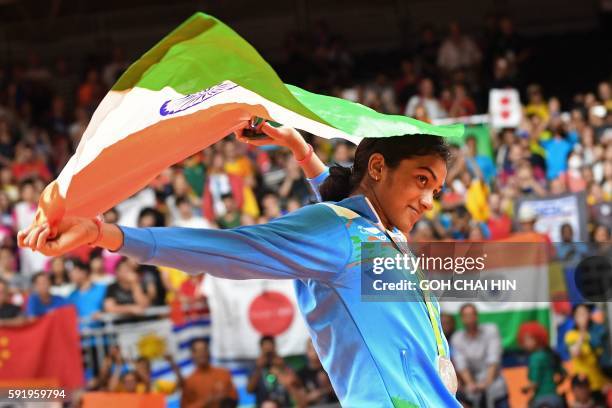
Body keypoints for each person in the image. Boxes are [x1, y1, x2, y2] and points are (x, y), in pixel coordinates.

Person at [19, 122, 460, 406]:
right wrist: (107, 235)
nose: (427, 202)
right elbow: (225, 249)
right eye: (422, 181)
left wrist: (299, 149)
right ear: (379, 167)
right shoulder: (339, 232)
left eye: (436, 191)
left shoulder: (382, 229)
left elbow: (346, 199)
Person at [452, 303, 508, 408]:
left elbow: (493, 359)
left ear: (476, 316)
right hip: (473, 391)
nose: (470, 318)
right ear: (462, 319)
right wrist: (471, 383)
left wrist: (487, 383)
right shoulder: (457, 338)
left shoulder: (491, 330)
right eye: (466, 316)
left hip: (495, 387)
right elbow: (461, 365)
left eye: (472, 315)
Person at [564, 304, 608, 405]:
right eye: (579, 314)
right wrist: (582, 334)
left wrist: (607, 381)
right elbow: (575, 352)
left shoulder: (596, 333)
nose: (583, 317)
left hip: (599, 382)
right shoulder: (571, 335)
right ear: (574, 317)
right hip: (583, 384)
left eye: (585, 313)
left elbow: (603, 358)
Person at [518, 321, 566, 408]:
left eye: (528, 339)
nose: (525, 343)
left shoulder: (535, 358)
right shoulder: (550, 354)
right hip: (556, 398)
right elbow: (564, 374)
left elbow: (534, 383)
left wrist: (524, 389)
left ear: (537, 338)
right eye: (524, 340)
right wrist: (553, 385)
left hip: (542, 400)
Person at [247, 336, 303, 407]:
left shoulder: (283, 364)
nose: (268, 356)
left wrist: (283, 368)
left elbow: (298, 384)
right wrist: (258, 369)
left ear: (275, 348)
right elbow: (249, 390)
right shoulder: (256, 367)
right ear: (261, 349)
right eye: (266, 351)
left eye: (270, 352)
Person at [181, 339, 237, 408]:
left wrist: (224, 399)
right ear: (192, 355)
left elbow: (235, 398)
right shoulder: (188, 381)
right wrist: (205, 402)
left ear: (209, 352)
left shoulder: (223, 373)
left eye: (204, 350)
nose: (201, 353)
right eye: (197, 351)